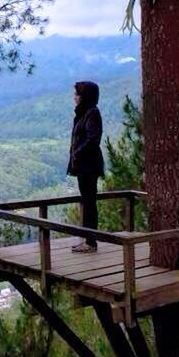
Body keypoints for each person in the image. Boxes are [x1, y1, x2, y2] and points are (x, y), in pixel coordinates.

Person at [67, 80, 104, 252]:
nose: (74, 97)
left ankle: (90, 242)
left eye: (77, 94)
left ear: (84, 96)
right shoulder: (85, 113)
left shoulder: (91, 113)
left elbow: (93, 139)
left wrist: (77, 154)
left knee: (89, 203)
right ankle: (88, 240)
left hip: (88, 166)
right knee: (87, 202)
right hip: (85, 166)